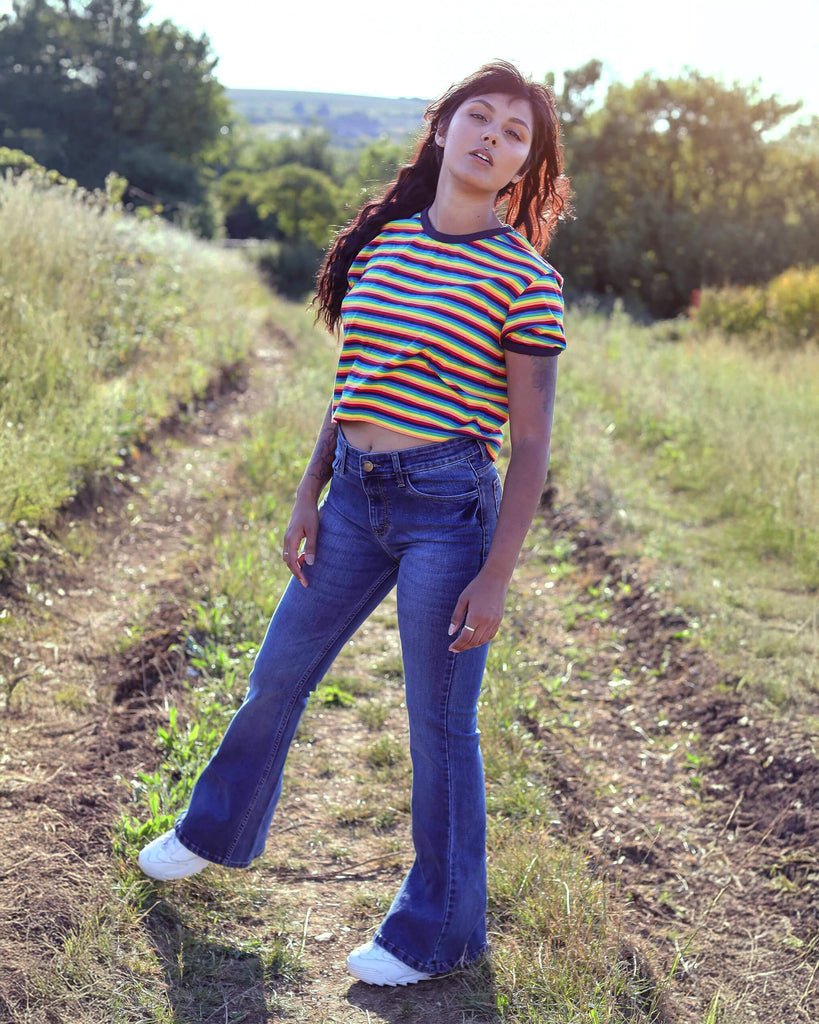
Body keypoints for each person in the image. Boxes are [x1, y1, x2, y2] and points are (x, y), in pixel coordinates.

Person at [138, 59, 570, 988]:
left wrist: (493, 575)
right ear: (443, 127)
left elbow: (529, 446)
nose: (491, 134)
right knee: (276, 674)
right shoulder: (384, 245)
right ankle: (210, 830)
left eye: (514, 132)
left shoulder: (525, 279)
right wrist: (309, 491)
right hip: (353, 500)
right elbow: (351, 389)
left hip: (448, 512)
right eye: (477, 115)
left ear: (522, 169)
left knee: (437, 725)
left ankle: (439, 931)